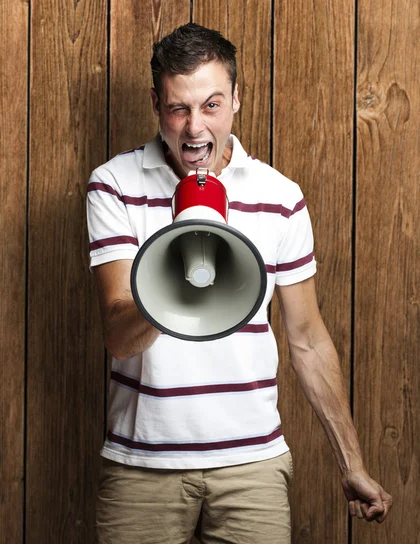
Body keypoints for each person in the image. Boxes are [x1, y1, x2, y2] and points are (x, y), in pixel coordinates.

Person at [86, 23, 392, 543]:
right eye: (177, 108)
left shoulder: (280, 196)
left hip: (252, 465)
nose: (194, 128)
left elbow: (309, 340)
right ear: (156, 104)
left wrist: (352, 462)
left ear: (236, 100)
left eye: (211, 105)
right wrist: (176, 251)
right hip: (143, 467)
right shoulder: (115, 184)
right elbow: (119, 337)